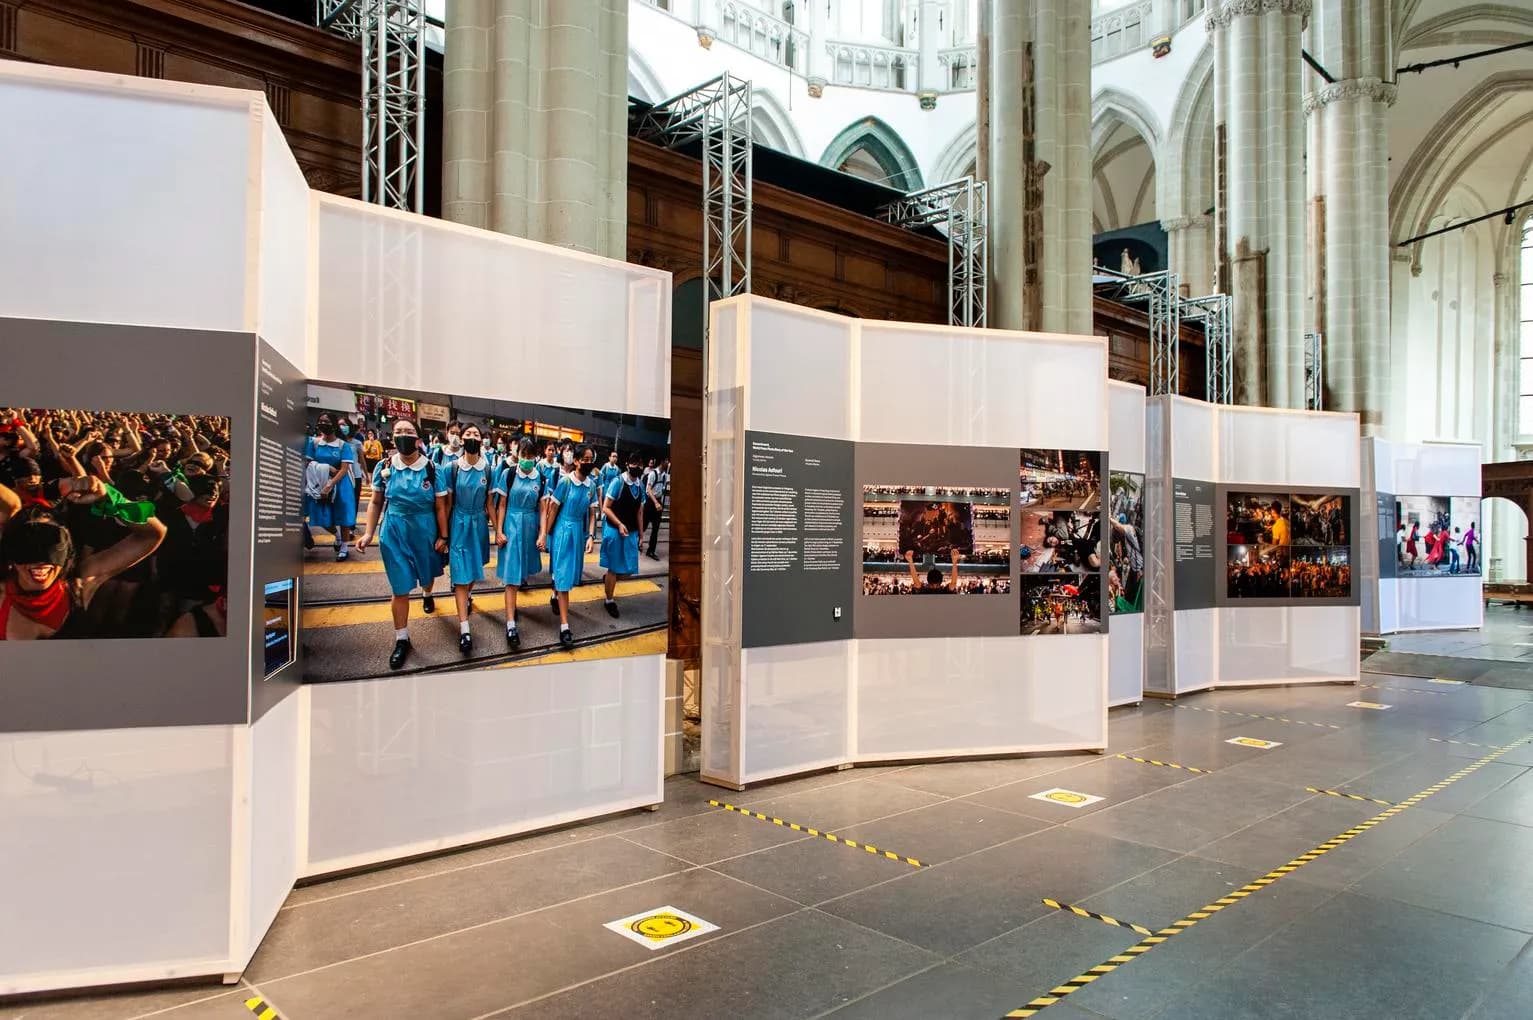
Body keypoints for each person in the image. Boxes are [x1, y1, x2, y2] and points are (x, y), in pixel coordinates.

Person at [0, 478, 167, 639]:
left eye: (52, 542)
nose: (40, 560)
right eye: (26, 545)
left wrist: (109, 497)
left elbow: (151, 535)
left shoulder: (80, 583)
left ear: (67, 548)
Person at [356, 419, 448, 669]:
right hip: (394, 530)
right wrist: (368, 534)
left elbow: (440, 506)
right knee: (400, 587)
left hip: (424, 530)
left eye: (409, 432)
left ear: (418, 438)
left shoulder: (432, 468)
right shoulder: (385, 467)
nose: (403, 436)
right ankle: (401, 638)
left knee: (426, 575)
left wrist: (443, 536)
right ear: (392, 437)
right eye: (398, 432)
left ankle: (427, 593)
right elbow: (375, 503)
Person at [540, 445, 599, 649]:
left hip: (578, 533)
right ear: (576, 461)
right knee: (564, 577)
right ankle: (564, 627)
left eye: (591, 459)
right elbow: (553, 508)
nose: (588, 462)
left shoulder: (591, 486)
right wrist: (544, 536)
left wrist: (591, 536)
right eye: (585, 459)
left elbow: (592, 514)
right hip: (562, 532)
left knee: (568, 575)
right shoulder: (565, 482)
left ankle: (555, 593)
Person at [444, 424, 493, 654]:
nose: (472, 437)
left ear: (482, 440)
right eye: (468, 434)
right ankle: (465, 630)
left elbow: (490, 503)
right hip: (459, 523)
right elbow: (445, 504)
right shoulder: (452, 468)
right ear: (461, 439)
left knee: (473, 571)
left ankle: (468, 595)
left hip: (479, 524)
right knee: (461, 578)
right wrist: (443, 534)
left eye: (476, 434)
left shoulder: (488, 469)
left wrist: (500, 530)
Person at [493, 438, 544, 649]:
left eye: (531, 457)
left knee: (521, 573)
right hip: (512, 526)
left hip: (529, 527)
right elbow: (502, 504)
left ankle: (513, 610)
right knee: (512, 576)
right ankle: (511, 624)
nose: (527, 460)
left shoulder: (540, 477)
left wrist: (542, 534)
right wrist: (499, 530)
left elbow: (543, 508)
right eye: (524, 456)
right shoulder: (508, 473)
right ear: (517, 454)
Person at [598, 450, 647, 618]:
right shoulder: (617, 482)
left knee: (629, 569)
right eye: (634, 464)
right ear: (627, 465)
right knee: (614, 568)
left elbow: (639, 513)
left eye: (640, 464)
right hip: (614, 530)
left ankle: (608, 579)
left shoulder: (640, 486)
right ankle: (609, 600)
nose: (637, 467)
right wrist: (619, 524)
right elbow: (606, 507)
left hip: (631, 533)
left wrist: (641, 535)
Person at [304, 413, 358, 561]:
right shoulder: (314, 444)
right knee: (320, 514)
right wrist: (326, 467)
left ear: (334, 425)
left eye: (326, 421)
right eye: (320, 421)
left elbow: (344, 468)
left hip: (341, 484)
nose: (322, 424)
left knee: (344, 515)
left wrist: (331, 484)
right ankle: (338, 535)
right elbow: (308, 463)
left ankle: (345, 547)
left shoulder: (343, 445)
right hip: (319, 482)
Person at [644, 458, 668, 560]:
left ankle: (651, 551)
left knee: (656, 529)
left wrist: (660, 503)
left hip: (658, 502)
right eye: (667, 462)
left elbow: (662, 490)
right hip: (650, 502)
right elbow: (648, 489)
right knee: (643, 525)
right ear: (662, 462)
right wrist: (656, 502)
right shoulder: (653, 474)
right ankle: (636, 542)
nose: (668, 464)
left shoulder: (664, 476)